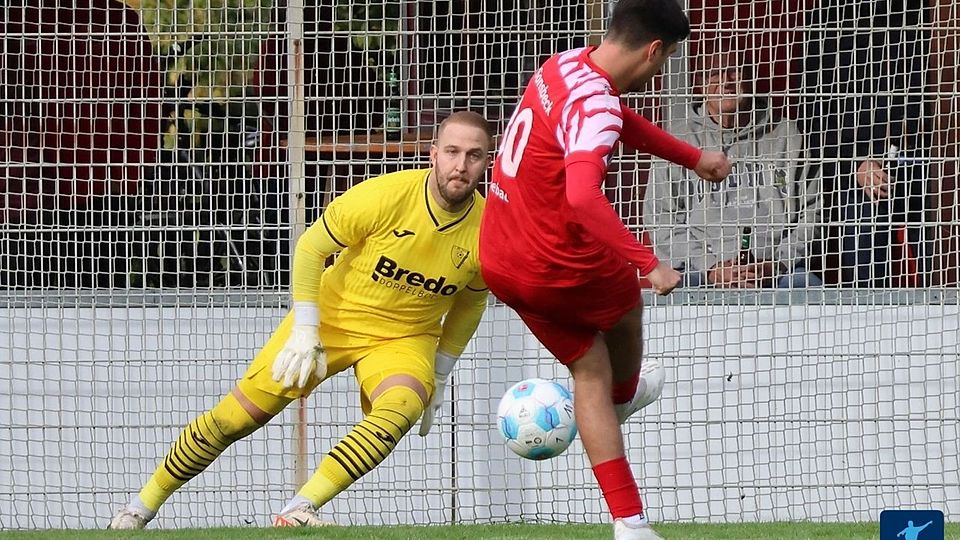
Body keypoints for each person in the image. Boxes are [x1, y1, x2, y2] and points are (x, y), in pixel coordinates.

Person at [108, 111, 493, 529]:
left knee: (401, 406)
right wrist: (306, 329)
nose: (460, 165)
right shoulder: (382, 196)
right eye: (452, 151)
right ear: (433, 154)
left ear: (487, 162)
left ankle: (300, 508)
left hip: (406, 337)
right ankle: (138, 508)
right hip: (330, 319)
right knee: (234, 419)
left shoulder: (490, 231)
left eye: (473, 155)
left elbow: (471, 303)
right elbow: (311, 249)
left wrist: (439, 373)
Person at [478, 1, 731, 539]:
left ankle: (630, 523)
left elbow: (615, 117)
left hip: (500, 257)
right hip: (555, 261)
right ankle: (624, 396)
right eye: (668, 60)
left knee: (589, 367)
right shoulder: (598, 105)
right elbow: (582, 195)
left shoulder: (564, 64)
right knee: (624, 313)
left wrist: (692, 158)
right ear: (654, 50)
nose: (662, 70)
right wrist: (649, 263)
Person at [644, 49, 823, 289]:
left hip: (776, 269)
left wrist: (777, 264)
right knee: (674, 290)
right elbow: (661, 218)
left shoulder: (787, 135)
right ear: (700, 85)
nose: (725, 81)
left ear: (750, 78)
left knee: (808, 286)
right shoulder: (677, 140)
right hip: (700, 269)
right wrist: (710, 267)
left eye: (734, 72)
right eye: (714, 73)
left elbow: (813, 210)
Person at [803, 0, 932, 287]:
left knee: (937, 249)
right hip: (858, 167)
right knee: (865, 265)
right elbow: (813, 112)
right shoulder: (829, 15)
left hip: (926, 152)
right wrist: (856, 162)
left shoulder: (922, 9)